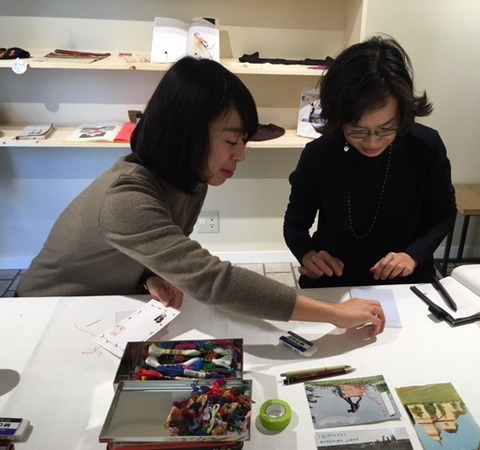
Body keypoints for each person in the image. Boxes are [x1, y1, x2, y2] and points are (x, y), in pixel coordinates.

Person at [16, 57, 385, 335]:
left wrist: (148, 276)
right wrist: (335, 314)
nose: (240, 155)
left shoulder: (191, 180)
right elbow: (215, 282)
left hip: (104, 304)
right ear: (186, 133)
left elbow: (154, 250)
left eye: (243, 141)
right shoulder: (125, 197)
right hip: (42, 314)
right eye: (231, 141)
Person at [283, 35, 456, 288]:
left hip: (405, 279)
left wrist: (413, 255)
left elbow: (442, 215)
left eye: (386, 128)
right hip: (334, 279)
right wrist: (309, 255)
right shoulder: (320, 154)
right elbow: (295, 225)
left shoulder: (425, 146)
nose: (372, 142)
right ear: (339, 118)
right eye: (358, 130)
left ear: (403, 113)